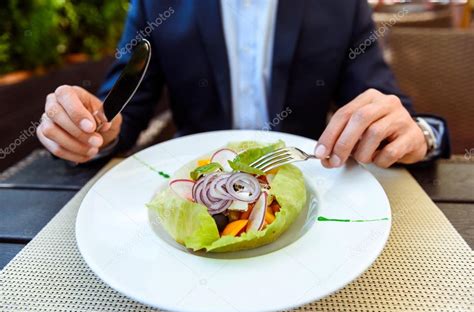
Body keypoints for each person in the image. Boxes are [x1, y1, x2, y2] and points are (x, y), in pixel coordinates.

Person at [36, 0, 449, 168]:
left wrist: (420, 135)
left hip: (307, 186)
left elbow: (385, 110)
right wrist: (89, 130)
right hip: (193, 183)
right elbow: (123, 112)